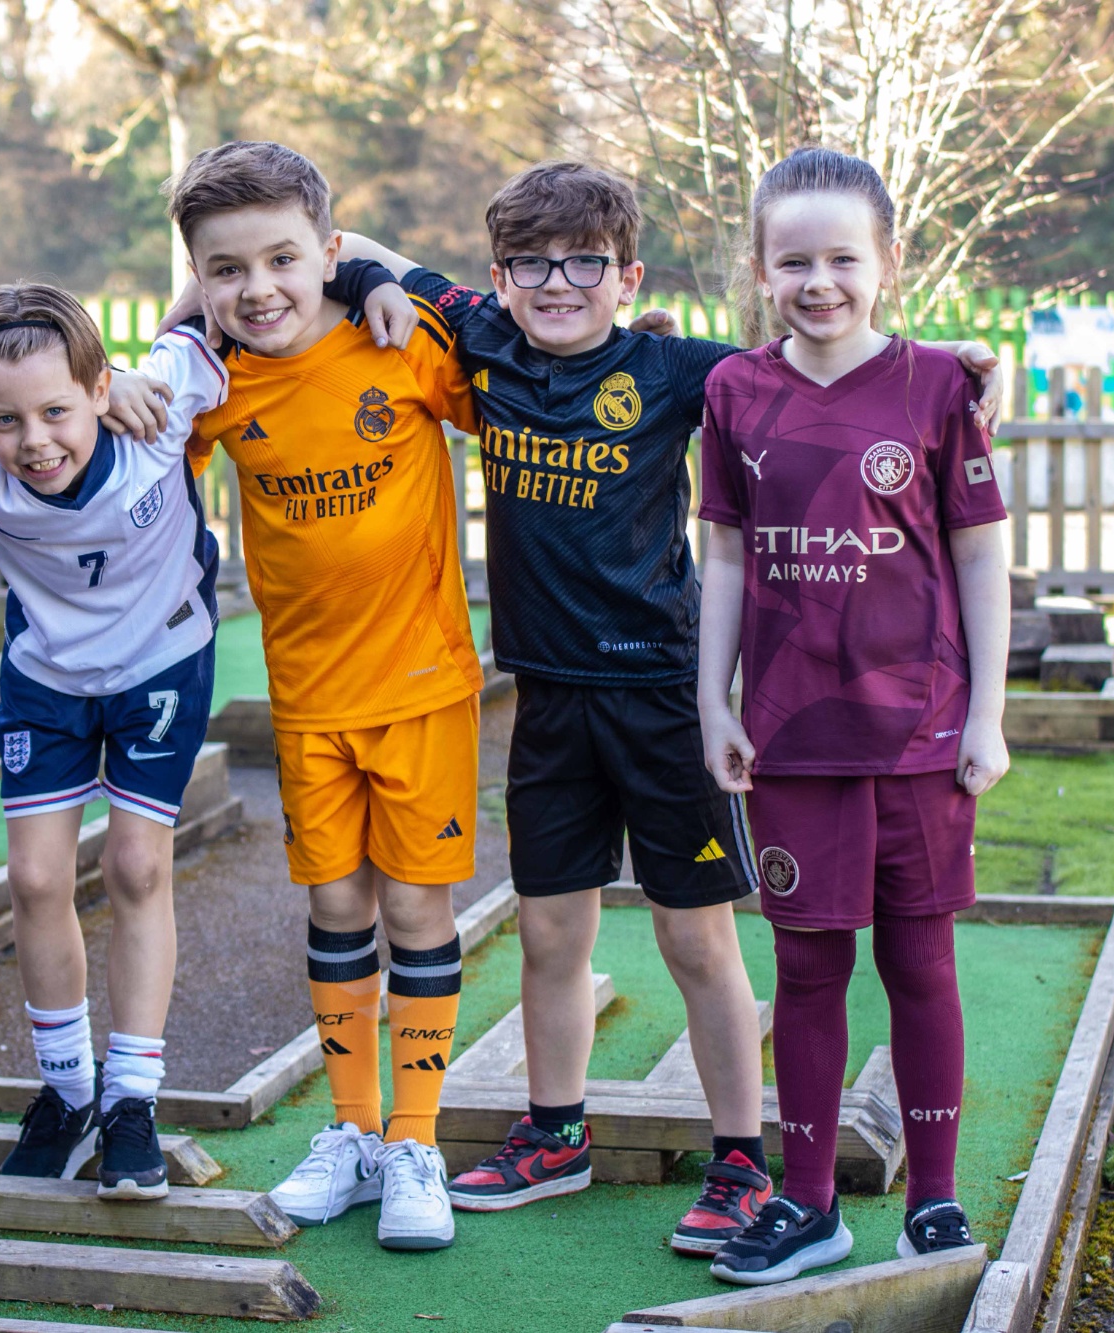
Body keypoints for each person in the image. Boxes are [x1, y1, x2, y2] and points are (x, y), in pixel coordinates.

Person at [334, 161, 1005, 1252]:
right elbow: (345, 230)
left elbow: (824, 357)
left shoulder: (689, 370)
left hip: (659, 693)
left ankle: (741, 1159)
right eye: (532, 266)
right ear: (497, 276)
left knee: (697, 939)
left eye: (584, 264)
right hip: (547, 696)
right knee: (550, 928)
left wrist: (971, 365)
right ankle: (554, 1132)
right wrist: (365, 279)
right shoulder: (478, 336)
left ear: (625, 272)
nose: (559, 285)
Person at [697, 145, 1011, 1285]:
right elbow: (724, 554)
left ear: (885, 262)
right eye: (792, 260)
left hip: (921, 734)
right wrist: (711, 702)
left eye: (840, 257)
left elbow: (978, 556)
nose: (816, 280)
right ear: (760, 269)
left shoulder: (939, 385)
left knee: (920, 963)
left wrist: (987, 712)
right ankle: (809, 1202)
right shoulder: (733, 391)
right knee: (808, 970)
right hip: (788, 740)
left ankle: (934, 1198)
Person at [165, 140, 482, 1251]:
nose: (257, 289)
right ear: (197, 280)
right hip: (302, 702)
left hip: (421, 688)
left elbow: (513, 366)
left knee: (413, 910)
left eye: (283, 261)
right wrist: (170, 329)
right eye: (226, 270)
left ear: (328, 255)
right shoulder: (210, 378)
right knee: (336, 910)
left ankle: (414, 1142)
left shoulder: (399, 341)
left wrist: (378, 279)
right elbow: (125, 417)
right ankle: (349, 1138)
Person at [0, 284, 229, 1199]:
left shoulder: (153, 411)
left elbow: (211, 307)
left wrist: (125, 371)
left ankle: (132, 1102)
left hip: (161, 657)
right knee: (36, 877)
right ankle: (67, 1092)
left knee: (136, 865)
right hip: (46, 675)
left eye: (55, 410)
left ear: (93, 389)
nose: (35, 439)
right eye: (6, 419)